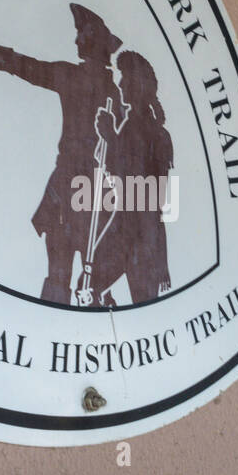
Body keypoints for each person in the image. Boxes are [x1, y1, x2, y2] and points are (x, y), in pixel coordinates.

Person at [0, 4, 122, 303]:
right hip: (77, 185)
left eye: (81, 36)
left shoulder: (93, 85)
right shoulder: (107, 89)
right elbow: (30, 68)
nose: (76, 42)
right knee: (73, 274)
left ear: (93, 42)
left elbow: (30, 68)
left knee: (78, 275)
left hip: (87, 187)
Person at [83, 49, 174, 304]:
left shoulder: (155, 134)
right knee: (87, 288)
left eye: (125, 77)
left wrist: (110, 137)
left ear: (138, 84)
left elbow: (143, 191)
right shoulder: (131, 125)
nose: (120, 84)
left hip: (142, 235)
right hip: (125, 229)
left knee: (142, 308)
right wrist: (110, 137)